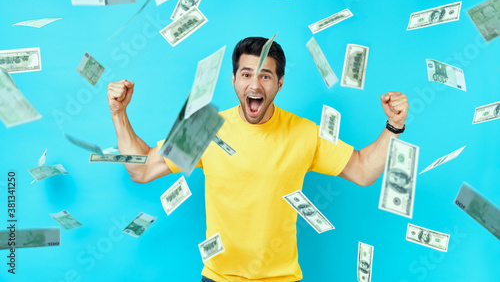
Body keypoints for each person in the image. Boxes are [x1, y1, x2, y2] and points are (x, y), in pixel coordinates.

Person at [107, 37, 409, 282]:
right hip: (219, 278)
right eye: (246, 74)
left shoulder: (304, 132)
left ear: (279, 84)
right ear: (234, 80)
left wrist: (394, 126)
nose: (255, 85)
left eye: (265, 76)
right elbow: (142, 170)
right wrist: (119, 114)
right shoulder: (204, 127)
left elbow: (363, 171)